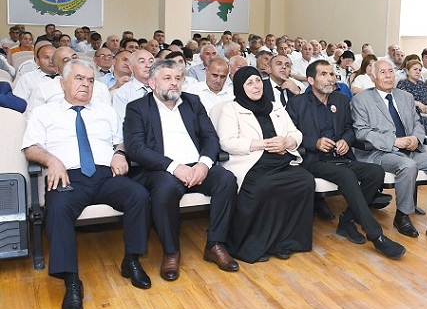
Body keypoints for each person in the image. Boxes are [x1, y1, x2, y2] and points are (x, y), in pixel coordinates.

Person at [22, 59, 150, 309]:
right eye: (79, 78)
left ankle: (131, 260)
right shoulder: (44, 112)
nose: (86, 84)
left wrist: (119, 153)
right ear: (63, 83)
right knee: (58, 209)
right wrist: (51, 160)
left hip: (105, 175)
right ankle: (71, 281)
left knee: (139, 195)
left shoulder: (105, 111)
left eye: (90, 80)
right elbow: (30, 147)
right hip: (67, 177)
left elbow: (121, 141)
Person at [124, 59, 239, 280]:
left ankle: (215, 245)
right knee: (165, 188)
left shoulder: (192, 102)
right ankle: (171, 251)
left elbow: (210, 136)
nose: (174, 83)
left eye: (178, 78)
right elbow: (136, 148)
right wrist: (173, 166)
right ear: (152, 83)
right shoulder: (137, 108)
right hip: (162, 170)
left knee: (226, 179)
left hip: (196, 165)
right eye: (167, 78)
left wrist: (204, 163)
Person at [287, 60, 406, 259]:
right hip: (313, 160)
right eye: (324, 74)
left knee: (375, 172)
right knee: (346, 175)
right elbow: (290, 135)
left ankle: (347, 220)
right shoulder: (297, 103)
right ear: (310, 80)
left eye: (332, 74)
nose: (330, 78)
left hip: (340, 156)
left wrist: (345, 140)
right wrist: (315, 142)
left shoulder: (341, 100)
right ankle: (376, 236)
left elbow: (350, 129)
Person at [351, 60, 427, 244]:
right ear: (372, 77)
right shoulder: (361, 100)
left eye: (390, 71)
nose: (388, 76)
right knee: (408, 165)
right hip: (379, 153)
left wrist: (416, 139)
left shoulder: (405, 97)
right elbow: (362, 133)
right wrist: (394, 141)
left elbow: (417, 123)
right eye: (382, 72)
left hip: (409, 150)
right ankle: (402, 215)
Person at [216, 66, 315, 263]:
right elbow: (227, 142)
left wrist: (287, 142)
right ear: (240, 87)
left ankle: (285, 242)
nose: (256, 86)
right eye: (249, 83)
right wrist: (262, 144)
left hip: (281, 159)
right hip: (251, 162)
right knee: (264, 185)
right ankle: (254, 245)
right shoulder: (231, 109)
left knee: (305, 181)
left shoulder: (275, 106)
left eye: (258, 81)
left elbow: (296, 133)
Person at [396, 59, 427, 138]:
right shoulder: (402, 83)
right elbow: (401, 100)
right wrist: (418, 104)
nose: (418, 72)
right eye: (415, 69)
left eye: (420, 70)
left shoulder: (422, 84)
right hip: (412, 114)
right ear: (407, 71)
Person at [112, 49, 154, 122]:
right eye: (142, 62)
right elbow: (123, 123)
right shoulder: (122, 93)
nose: (148, 65)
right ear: (131, 68)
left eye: (151, 61)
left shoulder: (163, 88)